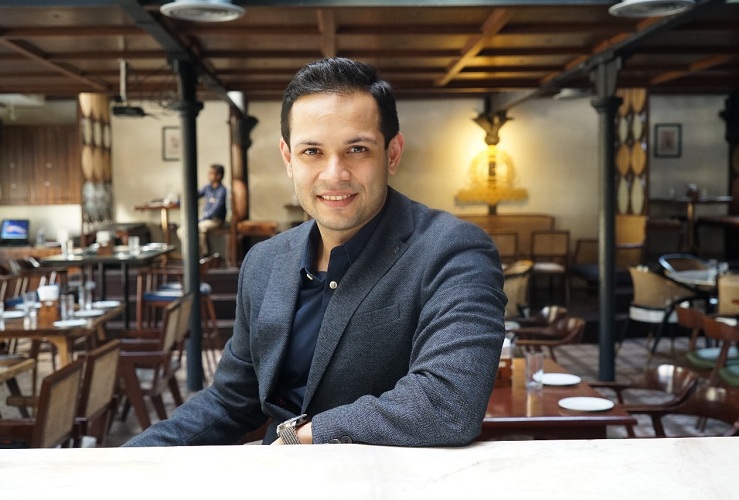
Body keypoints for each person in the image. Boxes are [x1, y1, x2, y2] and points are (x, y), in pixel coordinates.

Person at [124, 57, 506, 447]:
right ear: (288, 158)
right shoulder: (264, 261)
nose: (334, 173)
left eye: (357, 149)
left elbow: (448, 400)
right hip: (280, 473)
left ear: (392, 153)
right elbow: (231, 400)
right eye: (312, 152)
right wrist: (129, 459)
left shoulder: (453, 250)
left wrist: (303, 437)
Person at [184, 163, 227, 257]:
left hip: (216, 220)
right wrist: (181, 199)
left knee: (198, 228)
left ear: (219, 176)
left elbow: (216, 209)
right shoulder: (207, 187)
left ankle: (204, 255)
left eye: (211, 173)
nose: (209, 175)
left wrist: (202, 218)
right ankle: (192, 253)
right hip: (204, 218)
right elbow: (194, 195)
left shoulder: (222, 190)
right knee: (183, 230)